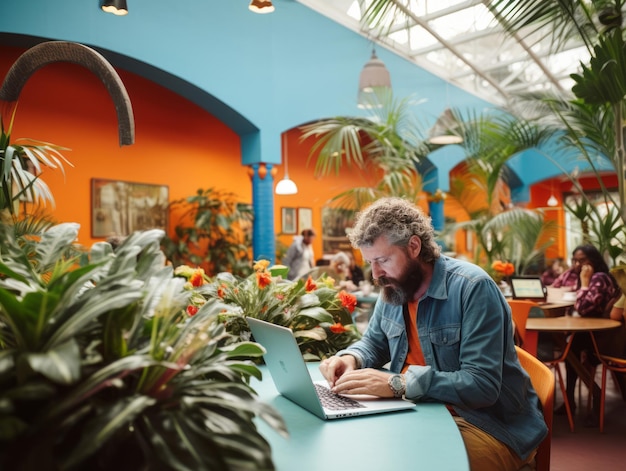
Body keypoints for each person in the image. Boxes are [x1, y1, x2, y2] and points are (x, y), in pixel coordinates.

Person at [319, 198, 547, 471]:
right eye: (370, 262)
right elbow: (374, 343)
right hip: (416, 411)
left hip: (486, 424)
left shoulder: (473, 288)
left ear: (414, 246)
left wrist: (398, 384)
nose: (376, 274)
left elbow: (481, 386)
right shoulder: (393, 287)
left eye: (383, 260)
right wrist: (351, 358)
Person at [550, 244, 621, 424]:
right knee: (571, 348)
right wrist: (572, 271)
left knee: (571, 350)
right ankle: (572, 401)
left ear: (594, 260)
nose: (578, 264)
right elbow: (553, 288)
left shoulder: (599, 278)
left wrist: (584, 282)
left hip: (604, 338)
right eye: (574, 260)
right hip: (590, 333)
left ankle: (585, 400)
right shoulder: (583, 275)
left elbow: (582, 308)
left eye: (582, 260)